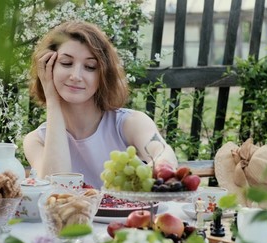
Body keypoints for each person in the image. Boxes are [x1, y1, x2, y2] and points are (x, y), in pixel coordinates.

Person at [23, 20, 178, 189]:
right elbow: (56, 188)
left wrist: (150, 172)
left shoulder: (130, 123)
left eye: (90, 67)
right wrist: (52, 99)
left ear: (103, 75)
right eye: (66, 63)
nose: (76, 75)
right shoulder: (36, 140)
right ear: (48, 67)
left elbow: (164, 155)